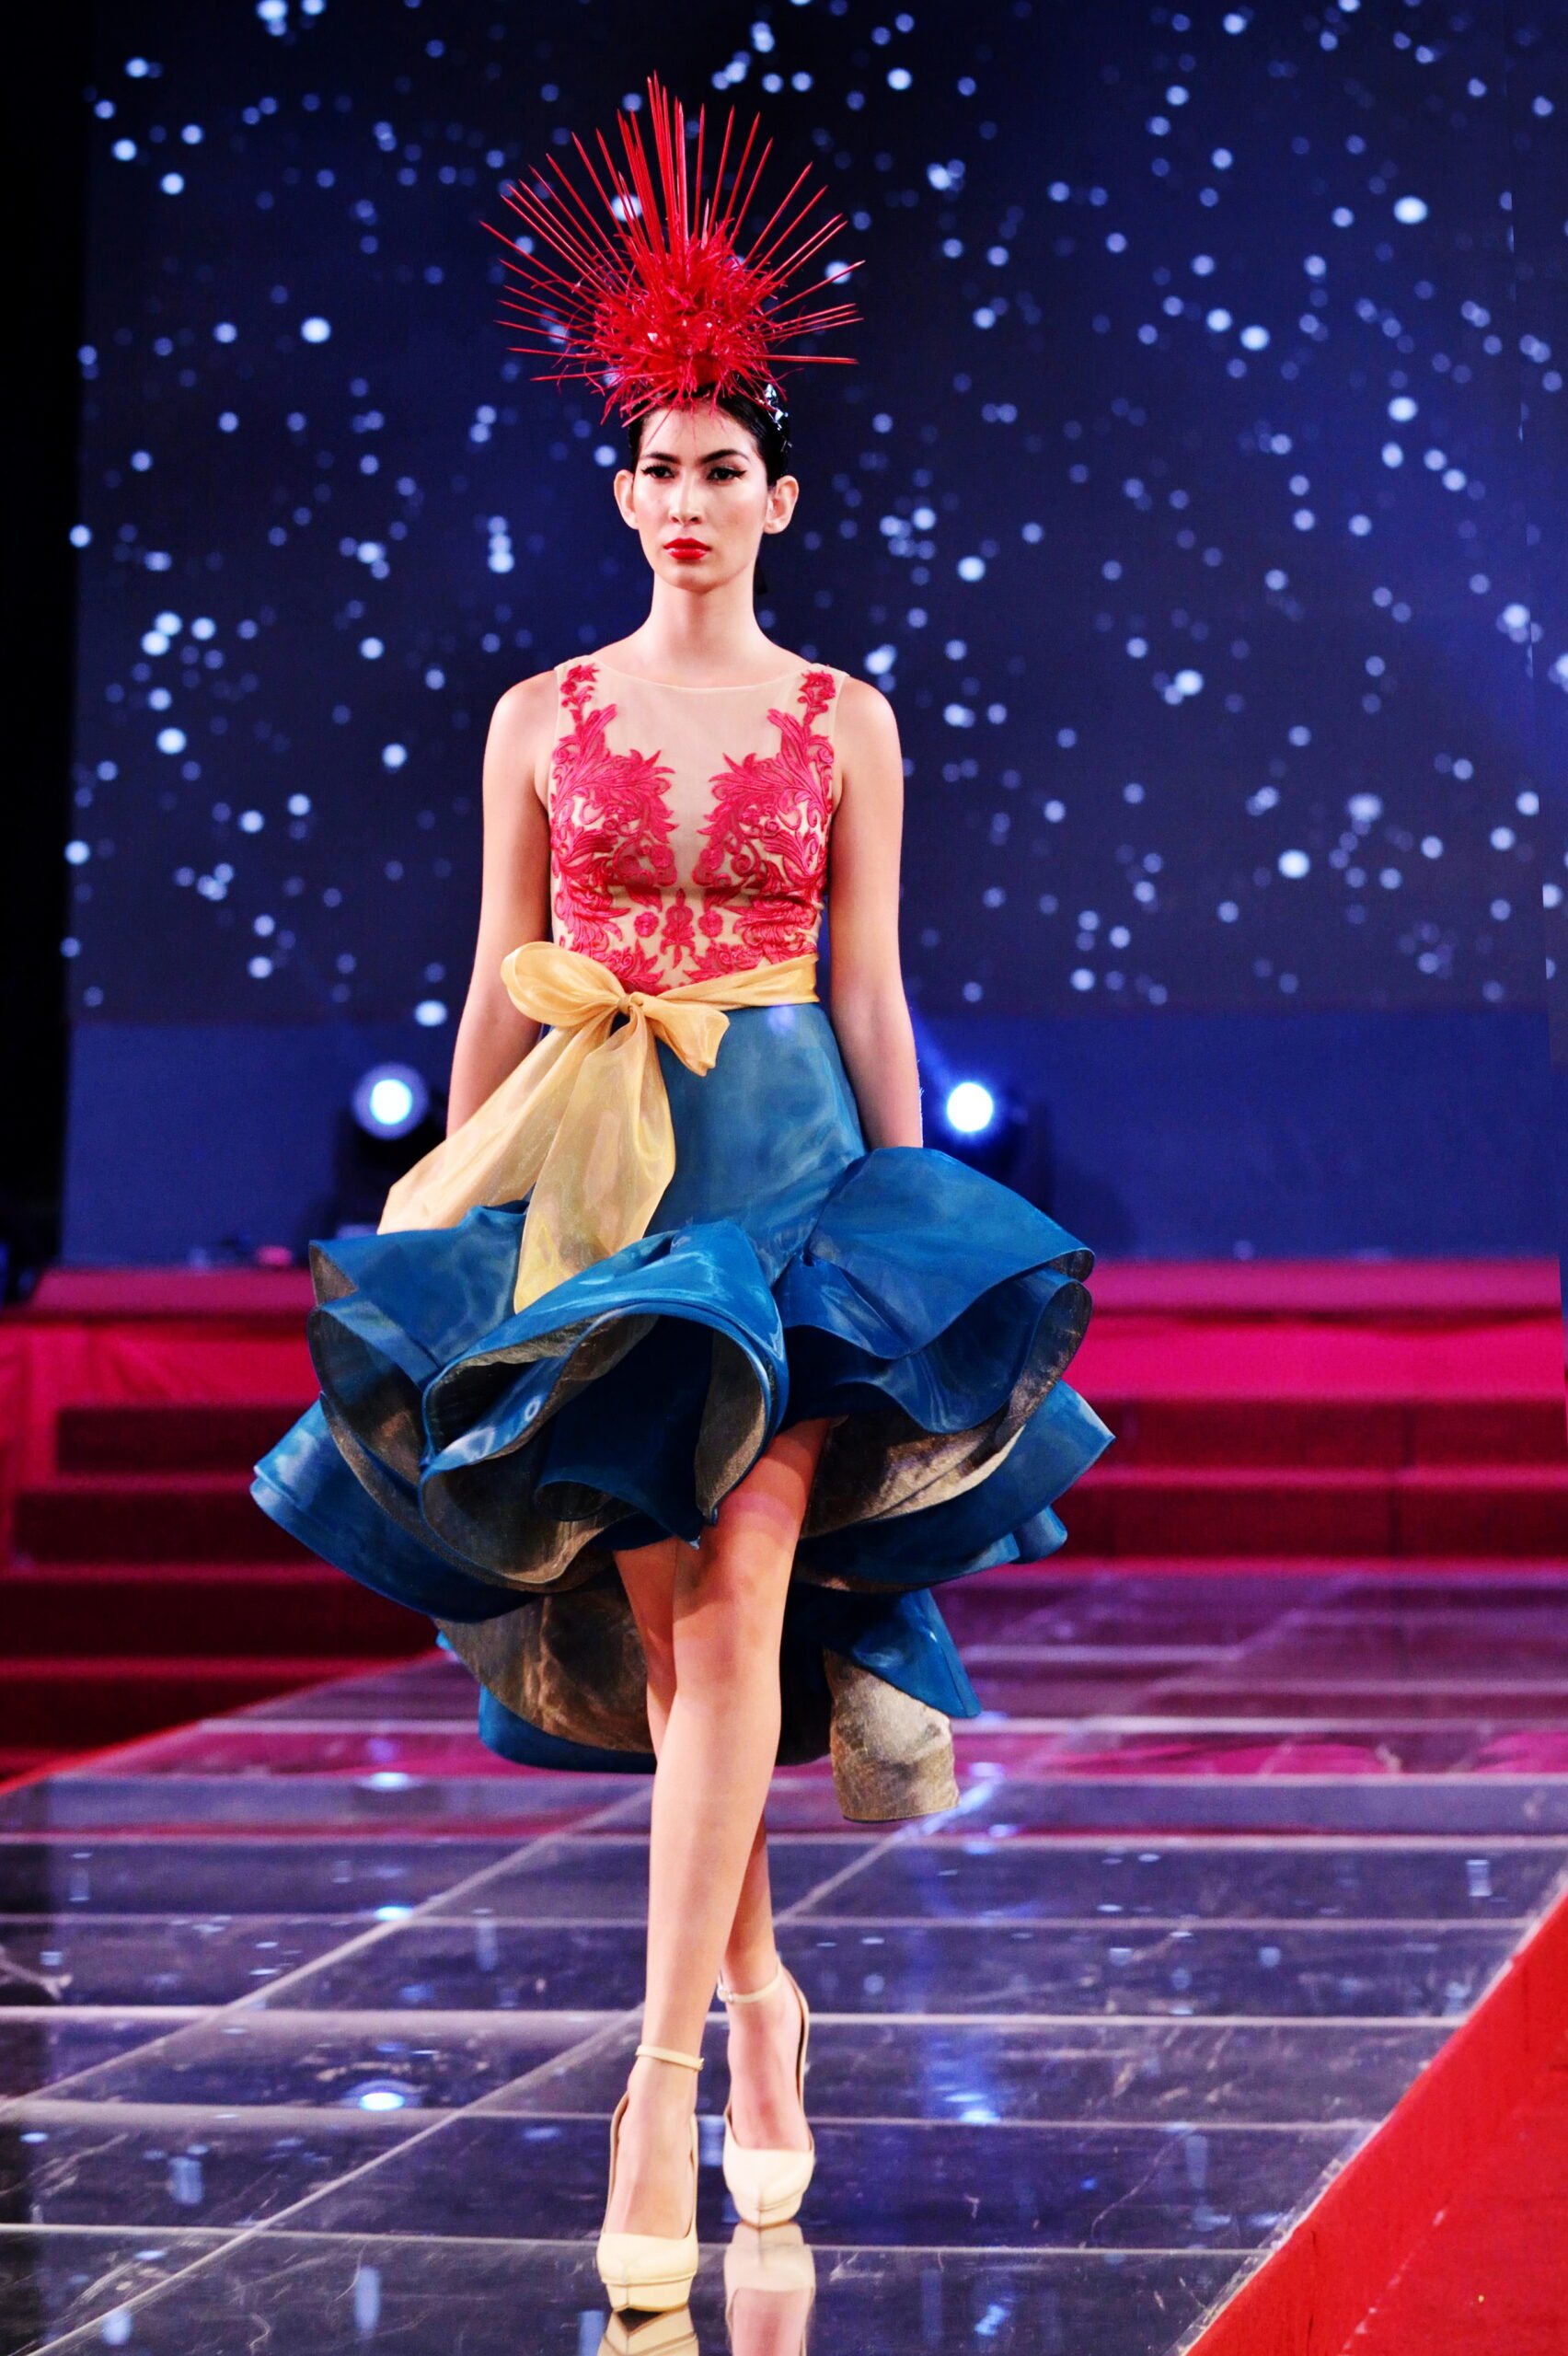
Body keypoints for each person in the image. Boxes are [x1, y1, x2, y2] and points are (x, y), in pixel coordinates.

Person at [253, 80, 1109, 2317]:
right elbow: (491, 975)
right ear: (621, 490)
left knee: (740, 1585)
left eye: (729, 465)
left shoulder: (847, 716)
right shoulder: (538, 713)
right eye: (662, 465)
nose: (694, 497)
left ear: (779, 493)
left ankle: (653, 2084)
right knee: (659, 1625)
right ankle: (758, 1998)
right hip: (595, 1163)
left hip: (791, 1159)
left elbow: (876, 982)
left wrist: (911, 1210)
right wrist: (452, 1201)